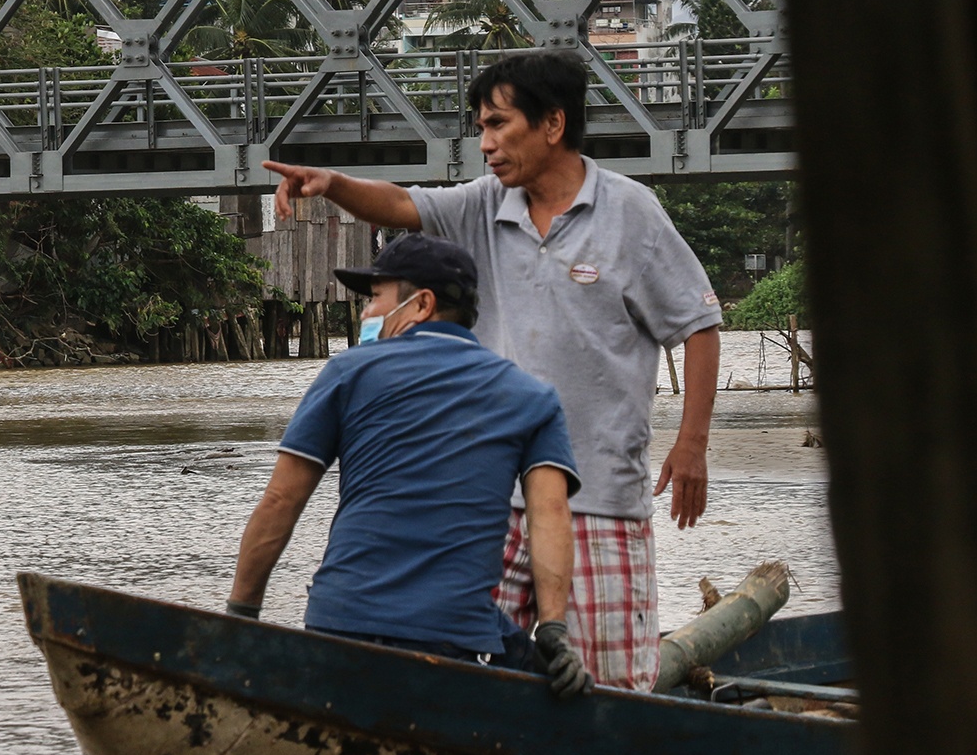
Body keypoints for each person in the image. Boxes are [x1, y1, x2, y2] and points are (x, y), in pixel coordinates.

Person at [261, 49, 723, 691]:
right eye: (480, 127)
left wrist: (692, 443)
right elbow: (399, 204)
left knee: (606, 688)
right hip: (491, 505)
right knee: (466, 683)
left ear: (553, 125)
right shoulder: (482, 206)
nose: (485, 144)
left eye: (498, 125)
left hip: (600, 499)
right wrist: (331, 183)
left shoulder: (631, 213)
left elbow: (698, 325)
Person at [226, 234, 593, 699]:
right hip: (454, 639)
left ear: (421, 304)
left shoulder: (349, 372)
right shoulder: (531, 396)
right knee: (530, 664)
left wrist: (241, 615)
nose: (365, 313)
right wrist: (553, 630)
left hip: (341, 624)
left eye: (375, 297)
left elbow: (282, 499)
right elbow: (550, 515)